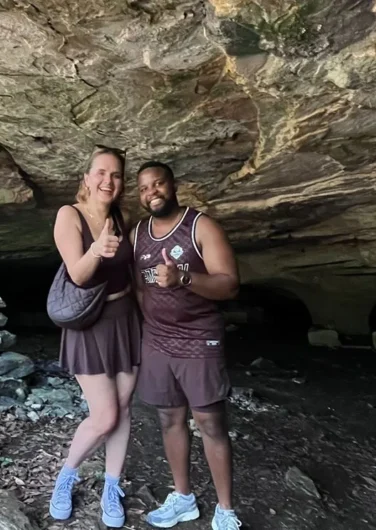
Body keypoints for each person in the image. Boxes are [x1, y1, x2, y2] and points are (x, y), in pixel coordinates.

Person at [131, 161, 242, 530]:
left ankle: (225, 510)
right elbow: (138, 288)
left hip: (199, 337)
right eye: (144, 188)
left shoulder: (201, 226)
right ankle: (183, 498)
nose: (152, 192)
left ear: (173, 185)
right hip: (157, 340)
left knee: (210, 421)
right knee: (169, 418)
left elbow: (229, 285)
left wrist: (183, 278)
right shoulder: (137, 235)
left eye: (158, 184)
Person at [48, 146, 141, 528]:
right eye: (101, 172)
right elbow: (78, 274)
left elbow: (133, 270)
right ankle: (66, 476)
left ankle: (111, 487)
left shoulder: (123, 217)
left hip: (126, 320)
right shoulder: (68, 215)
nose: (108, 180)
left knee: (124, 409)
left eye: (116, 175)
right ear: (86, 178)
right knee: (104, 416)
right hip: (90, 324)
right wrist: (97, 250)